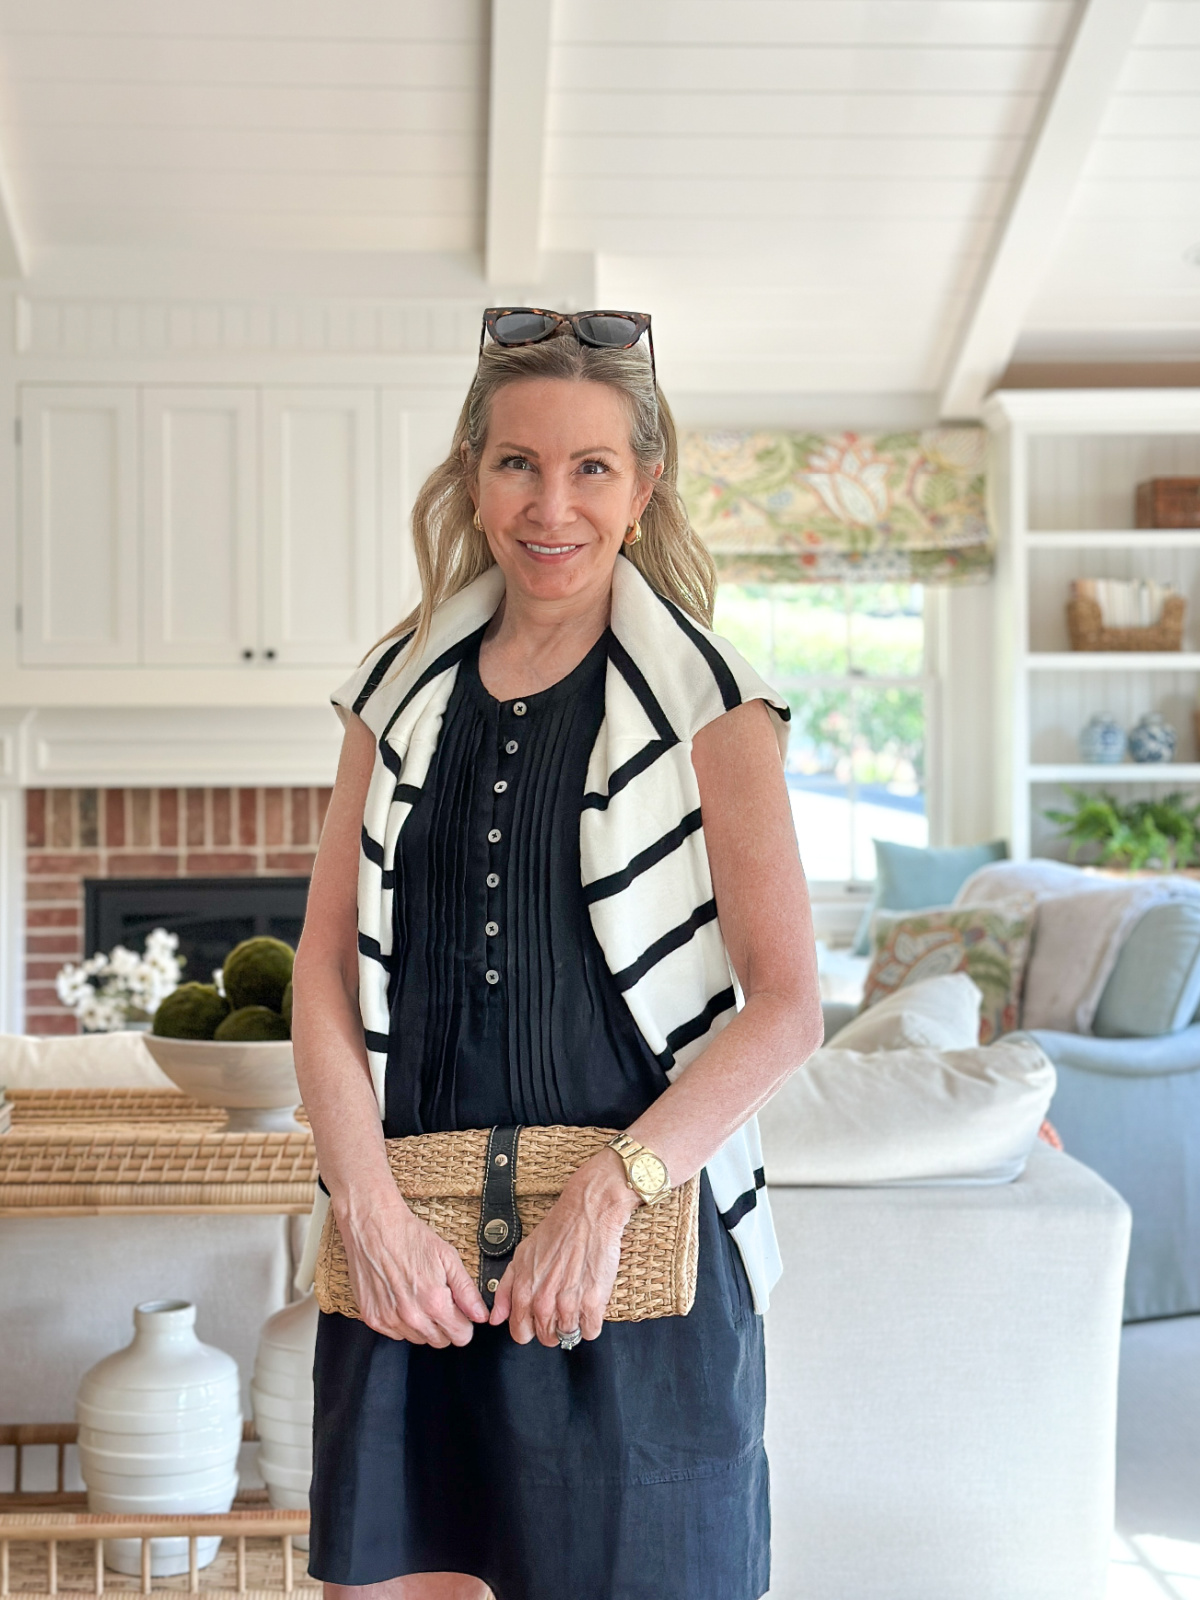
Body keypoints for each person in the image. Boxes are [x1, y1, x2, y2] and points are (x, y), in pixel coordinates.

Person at [292, 308, 823, 1600]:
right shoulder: (392, 691)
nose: (552, 505)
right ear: (473, 479)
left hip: (630, 1272)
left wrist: (606, 1197)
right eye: (518, 463)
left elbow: (789, 1008)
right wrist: (368, 1213)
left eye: (592, 466)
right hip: (411, 1264)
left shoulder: (716, 708)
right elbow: (321, 971)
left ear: (643, 490)